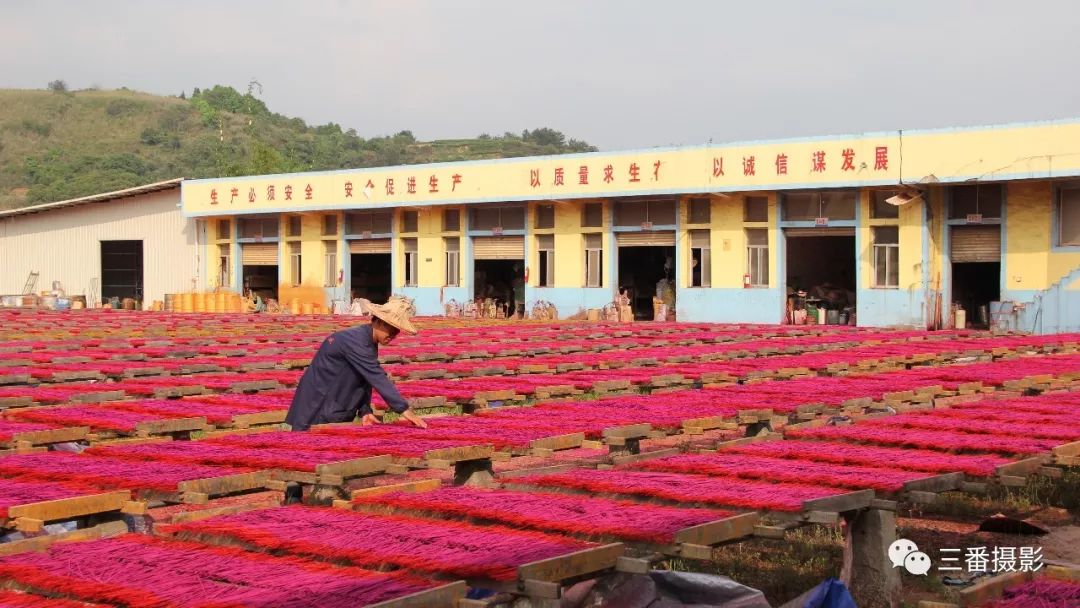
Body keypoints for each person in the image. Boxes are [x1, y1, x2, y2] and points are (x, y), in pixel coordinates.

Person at [285, 299, 428, 431]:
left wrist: (365, 410)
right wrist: (404, 409)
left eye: (396, 332)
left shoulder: (368, 342)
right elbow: (376, 376)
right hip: (317, 406)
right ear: (378, 321)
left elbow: (364, 378)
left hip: (333, 403)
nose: (392, 335)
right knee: (312, 451)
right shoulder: (356, 341)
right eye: (390, 329)